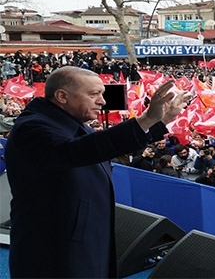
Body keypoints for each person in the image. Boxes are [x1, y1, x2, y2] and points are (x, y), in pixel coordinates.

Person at [5, 66, 190, 277]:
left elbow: (105, 147)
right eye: (94, 94)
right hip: (53, 249)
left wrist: (161, 120)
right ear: (62, 96)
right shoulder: (33, 128)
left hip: (80, 240)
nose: (102, 101)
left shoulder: (69, 122)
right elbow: (82, 150)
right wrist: (146, 118)